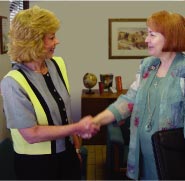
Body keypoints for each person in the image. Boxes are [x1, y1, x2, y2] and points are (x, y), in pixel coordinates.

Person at [81, 10, 185, 180]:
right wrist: (96, 121)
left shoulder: (183, 70)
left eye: (152, 34)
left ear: (170, 36)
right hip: (142, 157)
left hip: (172, 161)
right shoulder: (147, 65)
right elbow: (128, 100)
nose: (146, 40)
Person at [0, 6, 99, 180]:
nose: (57, 41)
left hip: (67, 154)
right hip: (36, 166)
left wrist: (75, 148)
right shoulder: (12, 82)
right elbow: (31, 134)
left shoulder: (57, 64)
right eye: (51, 38)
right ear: (34, 42)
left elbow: (65, 112)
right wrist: (76, 128)